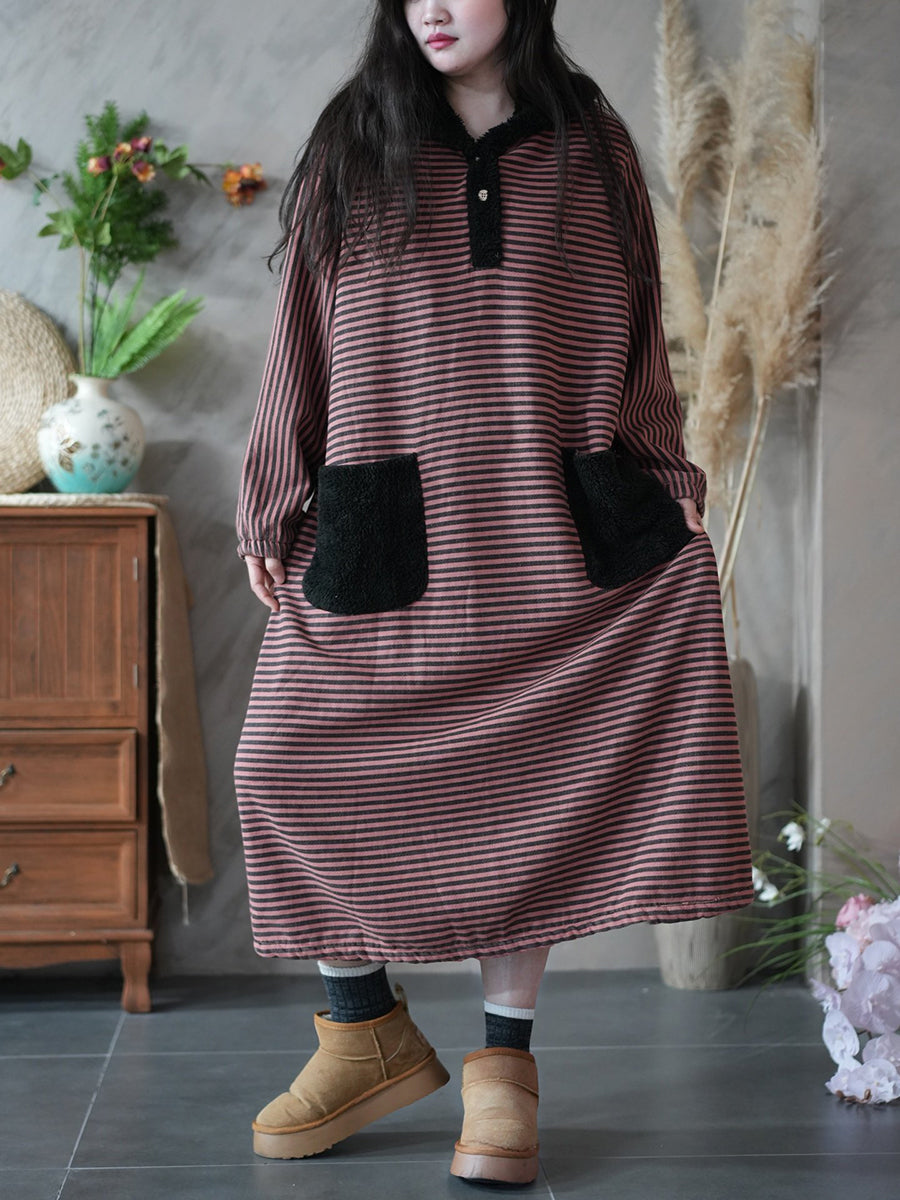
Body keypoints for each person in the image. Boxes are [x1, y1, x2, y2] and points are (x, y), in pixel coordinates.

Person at [234, 0, 755, 1186]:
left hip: (550, 523)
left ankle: (504, 1069)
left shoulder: (590, 141)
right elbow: (298, 333)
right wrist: (270, 492)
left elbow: (641, 336)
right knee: (281, 762)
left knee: (527, 790)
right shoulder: (356, 136)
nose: (432, 6)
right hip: (386, 516)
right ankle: (362, 1029)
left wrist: (670, 476)